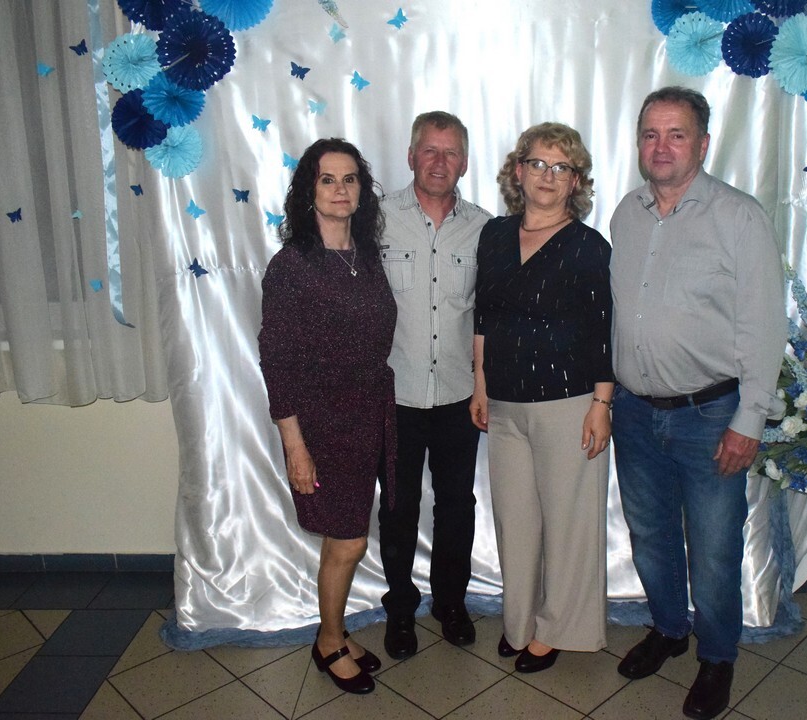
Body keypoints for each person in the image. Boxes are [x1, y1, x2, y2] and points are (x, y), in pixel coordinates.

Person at [609, 87, 786, 719]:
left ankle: (716, 658)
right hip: (634, 411)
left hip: (710, 415)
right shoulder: (626, 215)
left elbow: (764, 326)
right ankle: (668, 629)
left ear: (703, 144)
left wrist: (750, 419)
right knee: (650, 535)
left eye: (676, 134)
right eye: (650, 134)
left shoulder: (739, 217)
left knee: (713, 548)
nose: (661, 147)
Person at [470, 122, 613, 674]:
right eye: (538, 163)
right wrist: (481, 384)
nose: (548, 176)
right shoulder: (495, 235)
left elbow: (604, 331)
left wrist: (601, 405)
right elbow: (484, 317)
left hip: (569, 404)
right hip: (505, 404)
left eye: (561, 167)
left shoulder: (588, 246)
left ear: (575, 181)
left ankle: (560, 630)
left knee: (569, 524)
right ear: (518, 170)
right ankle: (520, 622)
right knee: (517, 523)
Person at [258, 138, 397, 695]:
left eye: (350, 179)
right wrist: (295, 445)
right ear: (308, 192)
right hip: (322, 425)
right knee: (347, 541)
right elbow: (276, 361)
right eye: (327, 179)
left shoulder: (367, 257)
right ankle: (329, 642)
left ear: (362, 190)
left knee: (351, 535)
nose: (340, 190)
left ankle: (333, 631)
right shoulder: (292, 266)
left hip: (369, 417)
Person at [377, 111, 491, 658]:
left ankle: (451, 603)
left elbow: (488, 315)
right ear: (411, 156)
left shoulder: (485, 228)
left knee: (456, 506)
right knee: (398, 508)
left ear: (464, 162)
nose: (439, 162)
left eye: (450, 153)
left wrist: (485, 385)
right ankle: (400, 610)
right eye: (430, 150)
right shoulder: (375, 221)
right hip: (394, 395)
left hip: (457, 395)